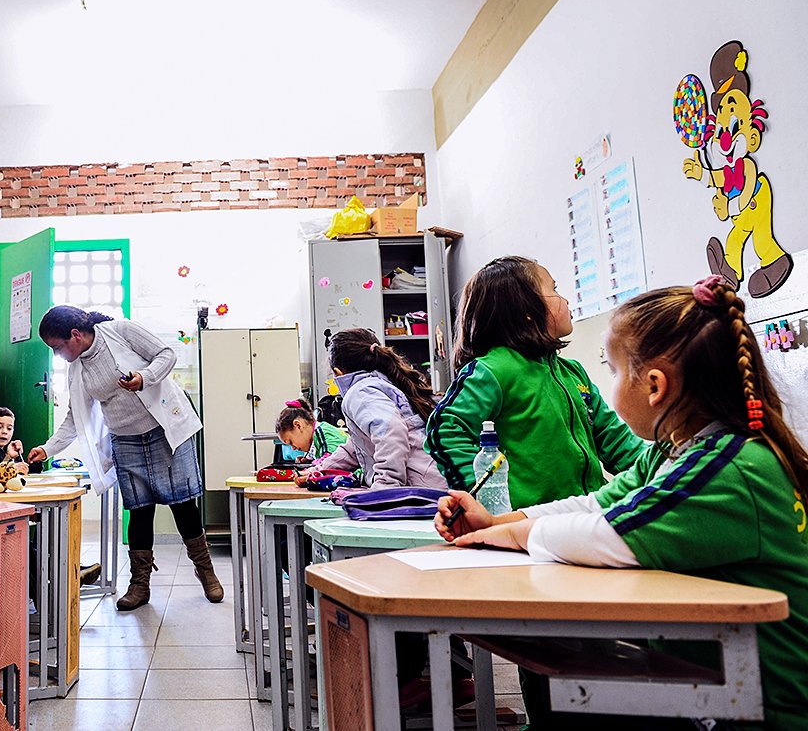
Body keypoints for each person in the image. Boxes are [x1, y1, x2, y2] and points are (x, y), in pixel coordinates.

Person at [436, 276, 808, 729]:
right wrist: (495, 522)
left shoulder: (725, 468)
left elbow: (607, 532)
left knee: (573, 689)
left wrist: (511, 534)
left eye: (612, 371)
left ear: (654, 386)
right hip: (719, 681)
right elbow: (599, 503)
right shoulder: (677, 449)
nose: (607, 385)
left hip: (765, 710)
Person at [26, 305, 221, 610]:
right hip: (126, 439)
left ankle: (206, 570)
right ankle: (140, 584)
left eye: (58, 346)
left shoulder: (121, 331)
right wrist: (47, 449)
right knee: (139, 509)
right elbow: (75, 418)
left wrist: (145, 377)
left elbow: (166, 354)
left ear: (75, 335)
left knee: (183, 503)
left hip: (165, 428)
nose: (57, 354)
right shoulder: (77, 369)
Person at [426, 256, 645, 506]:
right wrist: (484, 499)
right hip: (526, 522)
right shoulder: (493, 371)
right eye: (554, 289)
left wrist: (660, 471)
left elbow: (614, 439)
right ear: (526, 310)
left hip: (582, 513)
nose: (565, 299)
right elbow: (444, 429)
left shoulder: (572, 373)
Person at [313, 328, 446, 490]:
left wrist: (384, 487)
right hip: (432, 483)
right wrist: (320, 471)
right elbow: (358, 446)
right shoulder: (384, 383)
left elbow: (391, 432)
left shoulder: (360, 392)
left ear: (338, 373)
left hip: (419, 490)